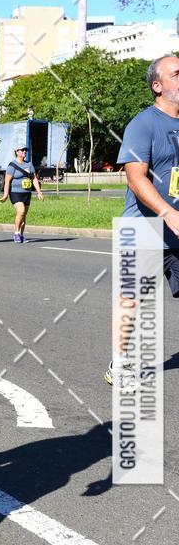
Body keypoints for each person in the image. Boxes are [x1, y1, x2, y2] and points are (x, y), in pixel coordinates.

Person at [105, 54, 179, 385]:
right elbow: (135, 177)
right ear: (158, 85)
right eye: (177, 73)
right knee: (131, 300)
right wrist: (167, 212)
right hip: (144, 226)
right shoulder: (143, 124)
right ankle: (119, 364)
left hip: (177, 228)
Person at [0, 145, 44, 243]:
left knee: (24, 215)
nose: (24, 152)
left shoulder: (29, 164)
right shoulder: (12, 165)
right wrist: (6, 194)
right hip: (15, 193)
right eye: (22, 150)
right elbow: (7, 181)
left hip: (27, 193)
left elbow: (34, 179)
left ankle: (21, 235)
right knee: (21, 211)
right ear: (17, 152)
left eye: (25, 150)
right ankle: (16, 233)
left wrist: (39, 192)